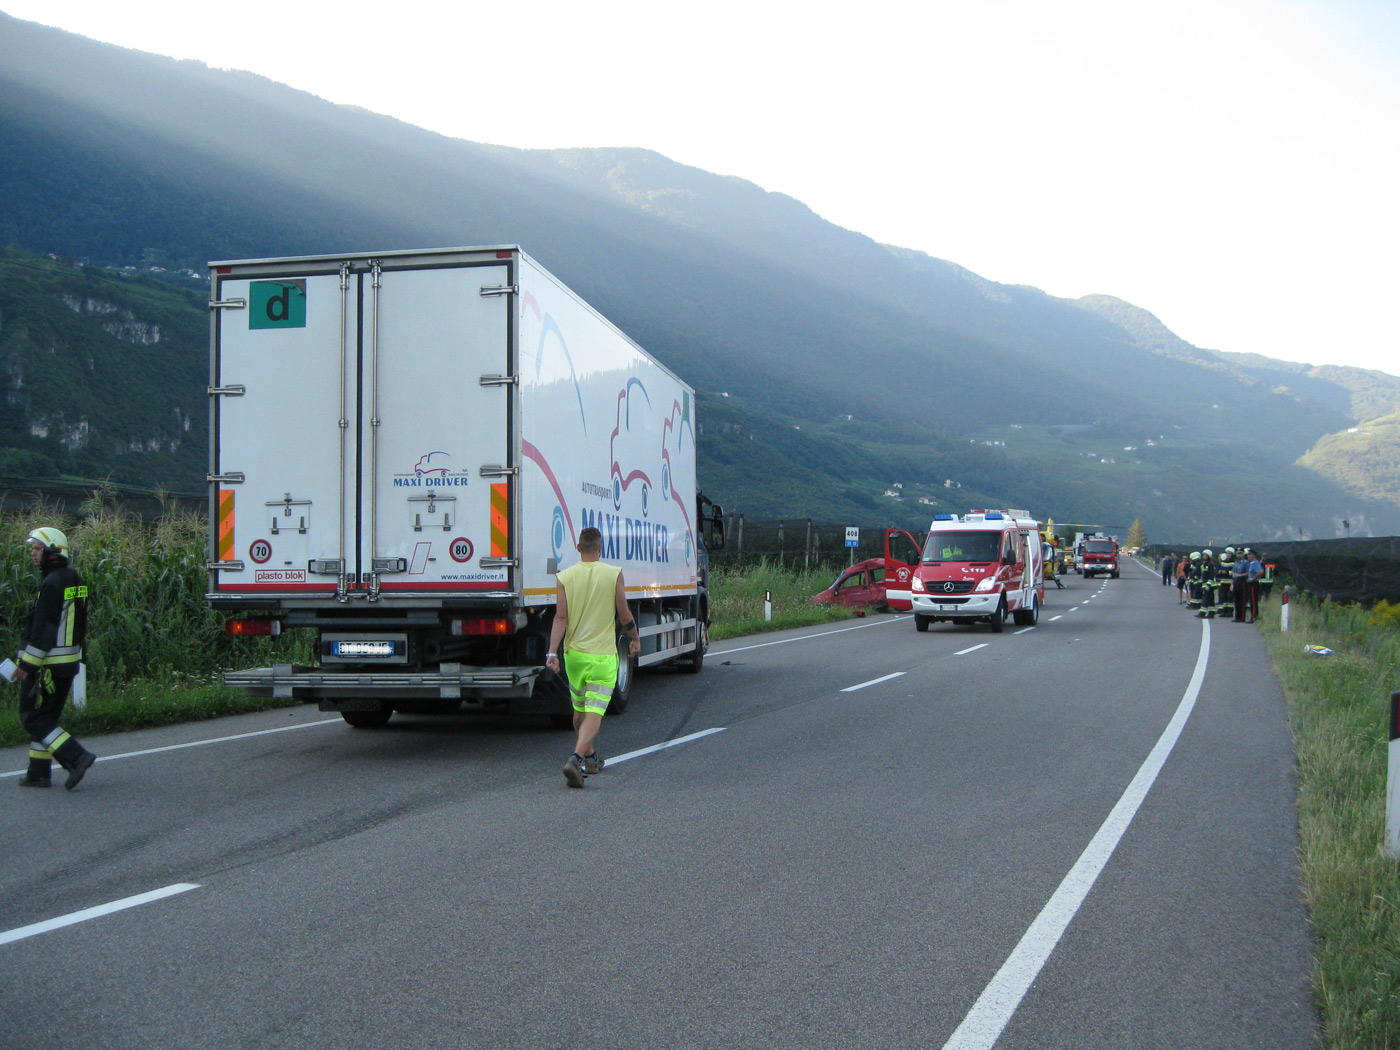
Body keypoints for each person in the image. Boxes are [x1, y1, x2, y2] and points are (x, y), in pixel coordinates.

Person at [546, 527, 640, 788]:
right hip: (602, 657)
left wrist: (552, 652)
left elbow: (560, 618)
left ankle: (590, 758)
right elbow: (624, 615)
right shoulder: (613, 574)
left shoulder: (564, 577)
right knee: (595, 712)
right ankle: (576, 758)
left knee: (579, 711)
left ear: (578, 548)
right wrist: (634, 639)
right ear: (600, 549)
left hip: (573, 656)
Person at [14, 527, 96, 789]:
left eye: (38, 548)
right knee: (47, 717)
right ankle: (38, 772)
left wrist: (27, 664)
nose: (33, 554)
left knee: (32, 717)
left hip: (47, 665)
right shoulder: (75, 578)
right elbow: (79, 621)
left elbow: (44, 629)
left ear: (51, 552)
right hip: (68, 662)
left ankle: (76, 757)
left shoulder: (51, 583)